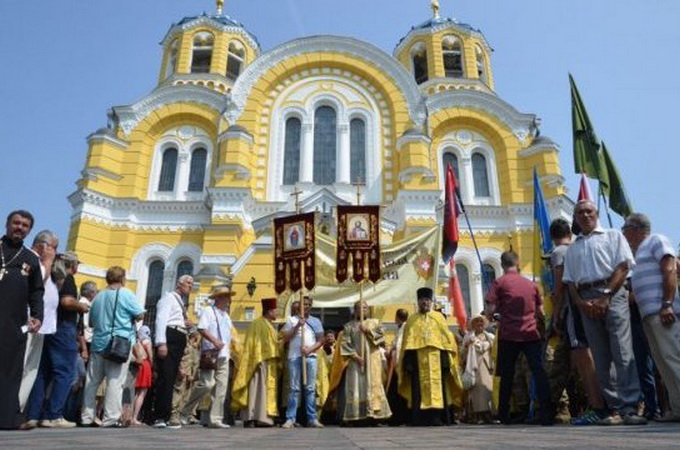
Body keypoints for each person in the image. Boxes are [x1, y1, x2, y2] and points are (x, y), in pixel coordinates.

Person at [563, 200, 646, 425]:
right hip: (586, 299)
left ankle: (630, 407)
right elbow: (569, 281)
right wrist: (581, 303)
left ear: (596, 213)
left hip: (613, 293)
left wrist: (606, 295)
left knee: (621, 349)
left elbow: (623, 266)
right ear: (576, 218)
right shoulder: (574, 248)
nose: (585, 215)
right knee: (600, 355)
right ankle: (614, 408)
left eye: (588, 211)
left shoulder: (612, 236)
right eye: (580, 212)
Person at [623, 213, 680, 421]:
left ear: (635, 228)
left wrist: (667, 304)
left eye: (625, 229)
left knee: (673, 358)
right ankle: (677, 408)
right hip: (648, 315)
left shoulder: (656, 240)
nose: (624, 234)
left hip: (662, 311)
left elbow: (670, 268)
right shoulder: (637, 253)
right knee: (663, 363)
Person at [485, 251, 553, 425]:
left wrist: (493, 314)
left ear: (502, 264)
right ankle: (546, 411)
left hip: (509, 335)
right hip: (530, 334)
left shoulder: (499, 282)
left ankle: (504, 414)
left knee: (506, 374)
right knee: (538, 372)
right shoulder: (531, 284)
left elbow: (490, 310)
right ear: (518, 262)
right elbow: (540, 312)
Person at [548, 218, 605, 425]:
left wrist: (556, 314)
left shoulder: (559, 253)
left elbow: (560, 285)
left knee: (581, 356)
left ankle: (595, 404)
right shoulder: (578, 248)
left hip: (572, 309)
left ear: (552, 236)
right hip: (590, 304)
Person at [26, 251, 88, 429]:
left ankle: (34, 414)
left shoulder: (51, 277)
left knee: (43, 372)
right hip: (63, 328)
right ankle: (53, 415)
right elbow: (67, 301)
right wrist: (82, 306)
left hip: (49, 327)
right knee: (65, 372)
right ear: (73, 265)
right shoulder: (67, 279)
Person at [81, 266, 145, 427]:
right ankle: (110, 418)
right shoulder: (126, 294)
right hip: (119, 344)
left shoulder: (99, 296)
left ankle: (86, 417)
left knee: (92, 382)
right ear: (122, 279)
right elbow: (140, 314)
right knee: (115, 382)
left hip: (98, 343)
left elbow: (91, 323)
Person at [0, 210, 44, 430]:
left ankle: (8, 418)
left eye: (25, 225)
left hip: (13, 321)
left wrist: (37, 315)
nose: (20, 227)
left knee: (10, 370)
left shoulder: (30, 258)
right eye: (16, 223)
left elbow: (37, 291)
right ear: (7, 224)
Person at [397, 287, 463, 426]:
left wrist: (446, 362)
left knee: (439, 388)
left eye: (427, 300)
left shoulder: (439, 317)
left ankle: (439, 418)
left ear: (431, 301)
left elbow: (446, 340)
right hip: (417, 361)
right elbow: (407, 342)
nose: (424, 303)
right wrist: (408, 364)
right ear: (418, 302)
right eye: (422, 300)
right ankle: (419, 419)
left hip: (437, 359)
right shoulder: (411, 320)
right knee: (418, 390)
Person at [180, 285, 234, 429]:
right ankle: (185, 411)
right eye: (226, 296)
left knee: (221, 388)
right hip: (210, 354)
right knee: (207, 384)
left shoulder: (227, 315)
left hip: (224, 355)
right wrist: (215, 341)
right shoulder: (209, 311)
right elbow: (202, 328)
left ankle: (215, 419)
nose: (229, 299)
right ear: (218, 298)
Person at [18, 230, 58, 425]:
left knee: (31, 370)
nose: (55, 252)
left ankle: (19, 410)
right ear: (43, 246)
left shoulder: (43, 263)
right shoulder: (32, 260)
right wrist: (48, 262)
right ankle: (13, 408)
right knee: (21, 365)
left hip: (41, 325)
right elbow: (36, 283)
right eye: (53, 247)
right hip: (28, 323)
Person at [333, 300, 391, 424]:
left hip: (372, 359)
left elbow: (382, 339)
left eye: (364, 307)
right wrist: (356, 357)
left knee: (373, 384)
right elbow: (345, 344)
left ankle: (375, 414)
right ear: (355, 310)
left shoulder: (375, 322)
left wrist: (368, 331)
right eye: (359, 307)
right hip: (356, 361)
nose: (362, 310)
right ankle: (357, 415)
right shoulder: (349, 326)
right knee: (357, 386)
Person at [152, 275, 195, 428]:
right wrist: (161, 343)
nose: (190, 286)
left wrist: (186, 324)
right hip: (170, 337)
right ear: (179, 284)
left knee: (173, 378)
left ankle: (168, 414)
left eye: (192, 284)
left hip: (179, 337)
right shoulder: (168, 298)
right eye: (188, 283)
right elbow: (161, 319)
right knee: (166, 377)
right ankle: (160, 416)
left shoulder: (181, 302)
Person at [232, 297, 281, 427]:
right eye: (276, 310)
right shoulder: (257, 324)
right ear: (269, 311)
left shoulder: (269, 325)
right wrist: (257, 359)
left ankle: (262, 418)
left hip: (268, 362)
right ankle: (250, 417)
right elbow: (253, 343)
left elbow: (273, 343)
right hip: (258, 361)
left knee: (263, 390)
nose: (277, 313)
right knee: (256, 388)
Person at [281, 296, 325, 429]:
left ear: (311, 306)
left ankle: (312, 418)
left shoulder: (315, 321)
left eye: (308, 304)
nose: (305, 306)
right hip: (294, 356)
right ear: (298, 306)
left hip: (310, 357)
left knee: (310, 389)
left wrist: (310, 349)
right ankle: (290, 418)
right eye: (303, 304)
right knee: (294, 389)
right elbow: (285, 338)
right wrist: (297, 327)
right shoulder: (291, 320)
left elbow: (321, 340)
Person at [461, 315, 495, 424]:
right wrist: (467, 346)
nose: (479, 324)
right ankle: (477, 415)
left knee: (488, 390)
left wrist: (489, 345)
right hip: (474, 367)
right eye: (477, 322)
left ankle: (489, 415)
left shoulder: (490, 336)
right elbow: (462, 353)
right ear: (473, 324)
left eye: (481, 322)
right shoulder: (468, 337)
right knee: (476, 392)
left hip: (488, 366)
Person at [169, 328, 201, 426]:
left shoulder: (195, 345)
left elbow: (194, 360)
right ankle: (173, 414)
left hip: (191, 373)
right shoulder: (184, 342)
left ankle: (184, 414)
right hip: (183, 370)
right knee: (178, 392)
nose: (195, 336)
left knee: (186, 394)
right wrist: (180, 368)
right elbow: (181, 357)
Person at [386, 308, 408, 426]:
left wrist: (391, 351)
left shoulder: (404, 328)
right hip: (397, 363)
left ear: (397, 318)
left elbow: (398, 346)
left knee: (396, 391)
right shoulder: (402, 328)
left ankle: (398, 417)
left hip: (399, 364)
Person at [131, 325, 153, 426]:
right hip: (145, 364)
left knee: (136, 392)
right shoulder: (147, 341)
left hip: (137, 364)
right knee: (142, 392)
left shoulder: (136, 341)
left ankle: (131, 415)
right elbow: (150, 355)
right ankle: (135, 417)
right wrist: (153, 365)